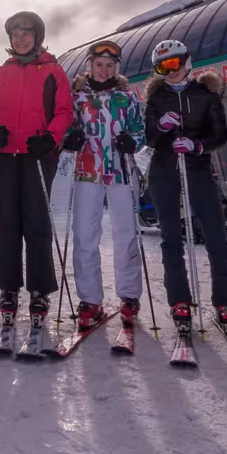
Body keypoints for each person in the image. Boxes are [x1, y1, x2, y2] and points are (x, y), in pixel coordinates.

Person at [0, 11, 73, 330]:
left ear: (38, 36)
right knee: (6, 223)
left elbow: (64, 110)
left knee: (36, 222)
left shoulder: (53, 71)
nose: (21, 39)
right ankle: (8, 288)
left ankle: (39, 290)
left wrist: (50, 137)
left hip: (37, 154)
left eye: (27, 33)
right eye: (15, 33)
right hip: (6, 154)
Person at [142, 39, 227, 335]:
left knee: (216, 236)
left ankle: (225, 302)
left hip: (197, 169)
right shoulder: (157, 98)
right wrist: (162, 127)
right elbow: (149, 137)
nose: (170, 71)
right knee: (171, 238)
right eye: (163, 66)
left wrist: (197, 145)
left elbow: (220, 136)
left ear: (187, 61)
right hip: (164, 171)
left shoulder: (206, 94)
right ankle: (179, 301)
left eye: (175, 63)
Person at [61, 39, 146, 330]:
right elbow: (67, 126)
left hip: (121, 169)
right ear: (90, 66)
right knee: (85, 234)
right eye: (98, 65)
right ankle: (90, 300)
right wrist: (69, 138)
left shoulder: (128, 96)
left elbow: (140, 129)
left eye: (109, 65)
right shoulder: (78, 97)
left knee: (126, 233)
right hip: (88, 169)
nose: (103, 70)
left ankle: (129, 296)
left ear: (116, 68)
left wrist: (132, 141)